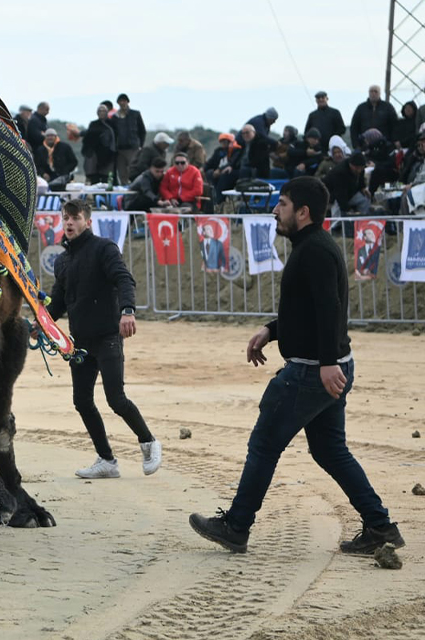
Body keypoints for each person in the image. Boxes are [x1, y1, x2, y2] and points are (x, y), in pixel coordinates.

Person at [189, 176, 404, 556]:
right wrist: (272, 330)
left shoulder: (315, 251)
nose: (274, 210)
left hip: (312, 371)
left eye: (283, 204)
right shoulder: (312, 246)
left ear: (302, 212)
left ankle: (236, 526)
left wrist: (326, 363)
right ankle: (380, 526)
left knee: (263, 444)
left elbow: (329, 310)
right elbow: (306, 310)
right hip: (324, 367)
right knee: (330, 450)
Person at [46, 199, 161, 479]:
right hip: (79, 343)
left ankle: (149, 442)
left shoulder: (104, 248)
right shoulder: (63, 260)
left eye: (75, 217)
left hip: (108, 335)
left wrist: (128, 311)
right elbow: (58, 303)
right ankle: (107, 460)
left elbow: (124, 279)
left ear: (88, 221)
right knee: (82, 401)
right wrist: (41, 323)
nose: (69, 223)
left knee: (116, 398)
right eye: (66, 218)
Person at [110, 94, 146, 184]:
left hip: (133, 148)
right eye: (120, 101)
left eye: (124, 101)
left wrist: (141, 145)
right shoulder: (115, 117)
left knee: (133, 171)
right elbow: (113, 134)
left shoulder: (135, 114)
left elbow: (142, 131)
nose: (122, 103)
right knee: (122, 173)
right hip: (120, 149)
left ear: (127, 102)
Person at [350, 85, 397, 151]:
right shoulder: (361, 108)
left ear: (379, 93)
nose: (373, 94)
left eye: (375, 91)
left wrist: (392, 142)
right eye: (371, 91)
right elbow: (354, 127)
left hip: (383, 145)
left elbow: (395, 126)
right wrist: (356, 145)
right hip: (365, 145)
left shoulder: (387, 107)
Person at [81, 103, 116, 184]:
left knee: (106, 179)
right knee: (94, 179)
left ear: (107, 112)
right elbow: (88, 138)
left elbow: (114, 138)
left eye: (104, 111)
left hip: (108, 154)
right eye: (100, 111)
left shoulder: (111, 124)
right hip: (94, 154)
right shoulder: (93, 124)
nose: (102, 112)